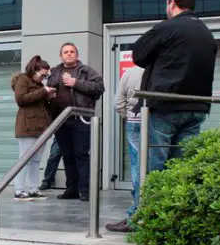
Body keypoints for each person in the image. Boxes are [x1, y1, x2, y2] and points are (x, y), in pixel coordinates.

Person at [129, 0, 216, 176]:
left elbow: (138, 54)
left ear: (172, 3)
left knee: (154, 166)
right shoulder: (206, 33)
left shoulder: (166, 28)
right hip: (197, 106)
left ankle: (150, 205)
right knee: (182, 168)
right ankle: (174, 206)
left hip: (165, 104)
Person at [46, 42, 105, 201]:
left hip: (81, 119)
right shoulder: (55, 71)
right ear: (61, 56)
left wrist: (75, 82)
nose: (69, 54)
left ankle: (85, 190)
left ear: (77, 55)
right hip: (61, 120)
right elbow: (49, 90)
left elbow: (99, 87)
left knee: (81, 155)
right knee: (67, 156)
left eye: (72, 51)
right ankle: (71, 189)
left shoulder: (86, 71)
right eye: (65, 52)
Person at [11, 55, 55, 201]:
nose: (43, 78)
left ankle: (33, 188)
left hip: (41, 127)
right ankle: (19, 190)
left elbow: (40, 103)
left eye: (46, 76)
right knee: (25, 158)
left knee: (36, 160)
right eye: (42, 75)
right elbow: (21, 99)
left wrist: (49, 97)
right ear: (34, 70)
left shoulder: (40, 85)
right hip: (27, 126)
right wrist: (44, 92)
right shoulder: (23, 79)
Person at [106, 64, 144, 233]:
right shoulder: (161, 69)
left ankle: (135, 214)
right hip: (156, 121)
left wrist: (127, 116)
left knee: (137, 165)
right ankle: (139, 213)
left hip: (134, 121)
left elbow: (118, 102)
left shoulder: (130, 73)